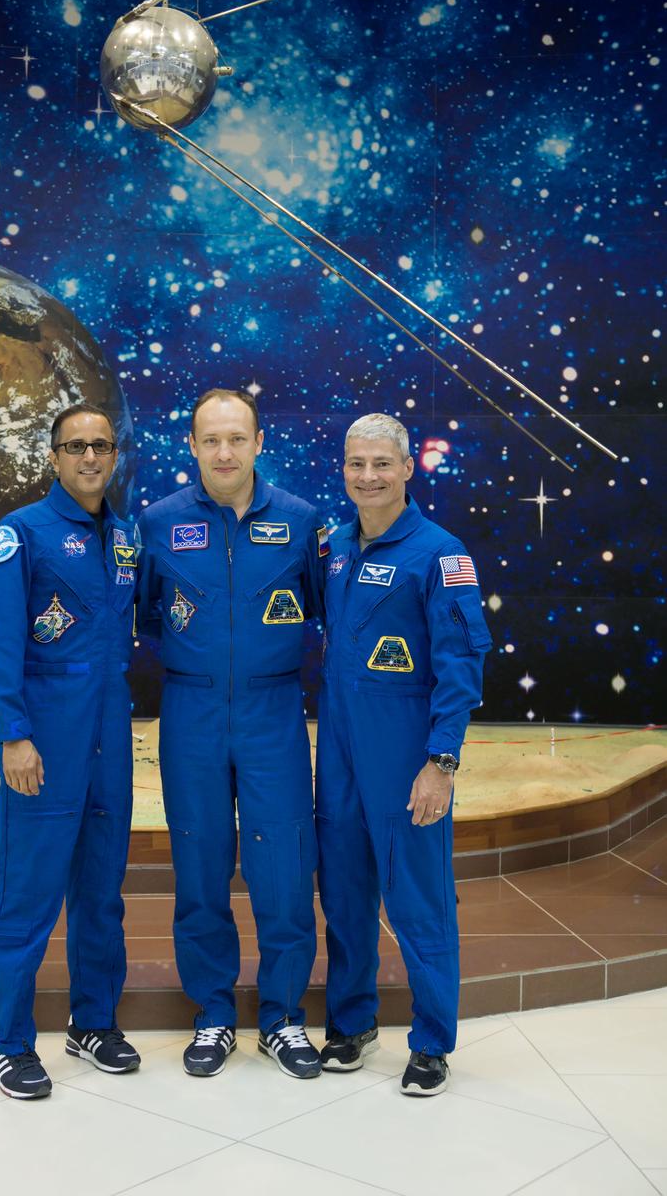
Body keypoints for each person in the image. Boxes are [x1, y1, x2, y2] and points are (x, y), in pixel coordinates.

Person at [137, 389, 329, 1079]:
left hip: (272, 712)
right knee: (198, 866)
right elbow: (150, 617)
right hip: (190, 712)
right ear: (191, 445)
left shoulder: (302, 521)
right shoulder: (157, 523)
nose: (223, 452)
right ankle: (214, 1013)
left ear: (257, 443)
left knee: (282, 866)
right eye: (210, 440)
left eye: (236, 439)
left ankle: (281, 1016)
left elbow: (323, 610)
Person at [315, 413, 491, 1096]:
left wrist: (440, 761)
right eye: (356, 464)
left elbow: (461, 663)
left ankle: (430, 1041)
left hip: (405, 751)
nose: (367, 477)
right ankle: (352, 1023)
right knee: (346, 893)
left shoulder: (439, 554)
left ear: (407, 466)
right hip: (339, 752)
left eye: (381, 464)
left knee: (417, 898)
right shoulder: (334, 548)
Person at [0, 403, 141, 1099]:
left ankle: (92, 1022)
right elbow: (0, 644)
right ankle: (9, 1043)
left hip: (108, 741)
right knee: (27, 893)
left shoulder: (126, 537)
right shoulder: (20, 537)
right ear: (53, 457)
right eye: (75, 446)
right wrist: (14, 734)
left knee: (102, 894)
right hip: (43, 739)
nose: (90, 458)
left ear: (114, 454)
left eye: (101, 445)